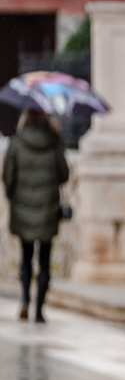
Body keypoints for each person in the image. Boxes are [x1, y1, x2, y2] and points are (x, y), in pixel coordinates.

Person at [2, 109, 69, 323]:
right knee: (45, 260)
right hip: (48, 209)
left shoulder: (16, 143)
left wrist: (15, 198)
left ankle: (24, 299)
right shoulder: (54, 142)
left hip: (23, 208)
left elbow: (8, 177)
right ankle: (39, 310)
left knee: (26, 257)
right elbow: (64, 175)